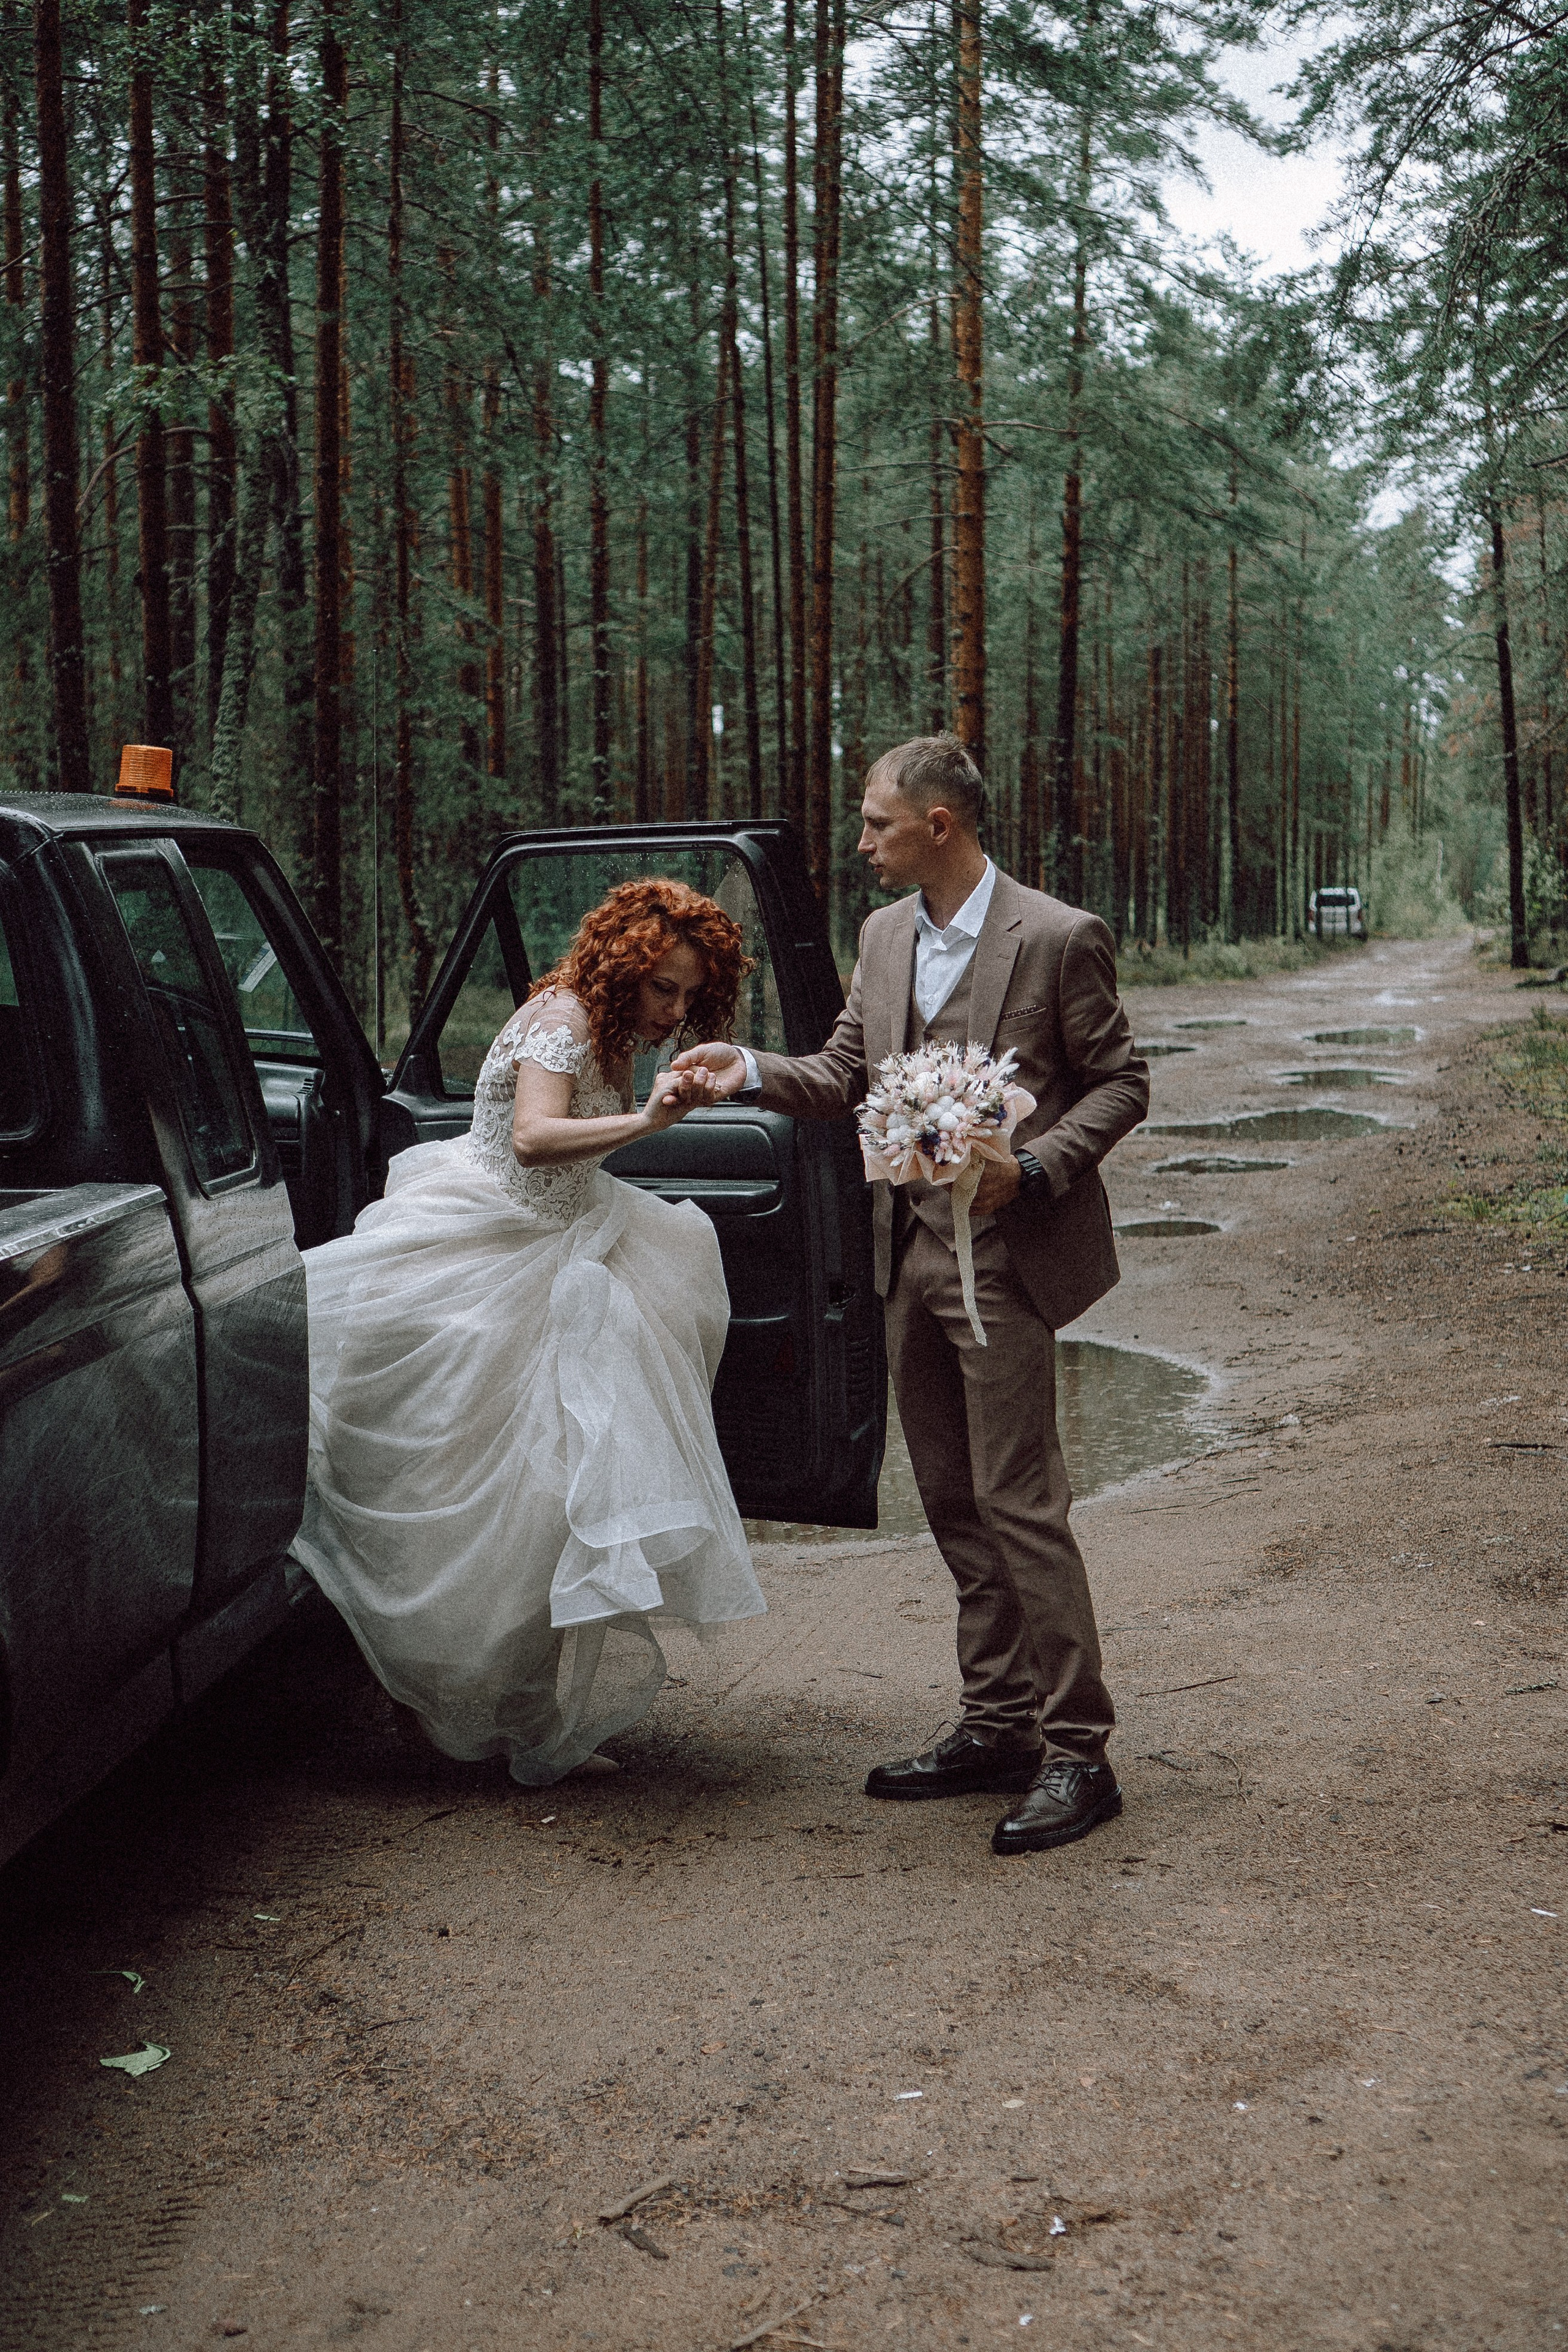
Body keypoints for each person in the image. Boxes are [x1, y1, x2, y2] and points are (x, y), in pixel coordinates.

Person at [676, 736, 1149, 1855]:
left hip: (1009, 1257)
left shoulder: (1059, 936)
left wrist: (1034, 1166)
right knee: (948, 1498)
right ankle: (999, 1725)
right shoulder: (884, 936)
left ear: (940, 825)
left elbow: (1122, 1082)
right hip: (909, 1257)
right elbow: (847, 1073)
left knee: (1019, 1501)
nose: (862, 843)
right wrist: (746, 1070)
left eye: (877, 823)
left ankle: (1079, 1751)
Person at [292, 877, 766, 1785]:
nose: (675, 1010)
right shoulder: (563, 1019)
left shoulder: (613, 1029)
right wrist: (649, 1119)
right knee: (475, 1494)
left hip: (568, 1243)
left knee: (552, 1502)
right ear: (622, 968)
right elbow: (534, 1139)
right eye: (663, 987)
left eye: (689, 995)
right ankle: (440, 1702)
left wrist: (659, 1100)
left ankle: (515, 1711)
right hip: (484, 1252)